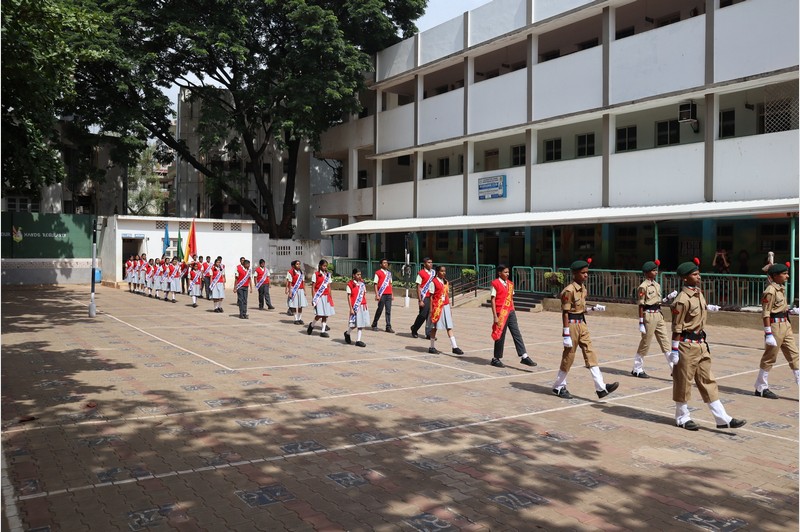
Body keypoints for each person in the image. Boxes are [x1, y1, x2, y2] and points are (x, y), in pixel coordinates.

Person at [670, 259, 745, 431]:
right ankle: (682, 417)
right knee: (683, 382)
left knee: (708, 380)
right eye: (694, 274)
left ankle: (722, 418)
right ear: (685, 278)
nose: (698, 276)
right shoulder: (682, 300)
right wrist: (674, 349)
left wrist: (709, 307)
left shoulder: (698, 294)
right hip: (686, 345)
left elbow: (699, 312)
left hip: (701, 344)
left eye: (698, 273)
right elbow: (677, 326)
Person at [551, 259, 618, 399]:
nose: (586, 275)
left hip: (582, 324)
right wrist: (566, 334)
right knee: (569, 356)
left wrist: (593, 309)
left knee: (590, 353)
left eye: (587, 272)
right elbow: (565, 313)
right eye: (583, 273)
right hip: (572, 325)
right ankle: (558, 386)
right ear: (575, 274)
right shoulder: (568, 291)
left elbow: (580, 310)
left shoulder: (583, 289)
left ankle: (601, 387)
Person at [754, 262, 800, 399]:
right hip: (775, 327)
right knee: (770, 357)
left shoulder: (781, 288)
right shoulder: (770, 291)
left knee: (794, 355)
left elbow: (780, 308)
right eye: (784, 273)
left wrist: (792, 310)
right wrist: (768, 333)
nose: (787, 276)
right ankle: (761, 387)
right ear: (775, 276)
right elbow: (766, 313)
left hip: (786, 325)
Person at [631, 260, 677, 378]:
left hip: (658, 314)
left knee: (665, 342)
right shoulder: (643, 287)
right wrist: (641, 322)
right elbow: (641, 305)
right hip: (648, 316)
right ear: (647, 273)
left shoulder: (657, 285)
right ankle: (637, 368)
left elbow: (658, 301)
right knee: (646, 342)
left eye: (656, 270)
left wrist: (668, 298)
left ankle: (674, 369)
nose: (656, 272)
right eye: (653, 270)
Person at [489, 264, 536, 368]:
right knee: (500, 335)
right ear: (499, 273)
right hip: (500, 313)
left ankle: (524, 356)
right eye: (505, 272)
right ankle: (496, 358)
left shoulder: (510, 284)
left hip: (510, 312)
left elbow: (511, 298)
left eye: (508, 272)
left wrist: (513, 310)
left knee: (516, 333)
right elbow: (492, 300)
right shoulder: (495, 283)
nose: (507, 274)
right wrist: (495, 316)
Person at [427, 265, 464, 355]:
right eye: (442, 271)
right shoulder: (433, 282)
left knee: (449, 326)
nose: (444, 273)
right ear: (437, 272)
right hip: (437, 307)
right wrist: (431, 310)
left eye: (445, 271)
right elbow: (431, 297)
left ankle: (454, 347)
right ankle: (431, 347)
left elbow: (447, 295)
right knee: (434, 327)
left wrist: (449, 307)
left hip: (445, 305)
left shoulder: (446, 282)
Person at [308, 259, 335, 337]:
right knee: (319, 314)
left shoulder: (328, 275)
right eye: (324, 266)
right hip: (319, 296)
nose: (325, 267)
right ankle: (312, 325)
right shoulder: (315, 274)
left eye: (326, 266)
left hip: (326, 296)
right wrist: (314, 298)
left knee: (325, 314)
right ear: (320, 266)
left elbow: (329, 286)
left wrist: (330, 296)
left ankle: (323, 331)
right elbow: (313, 287)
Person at [410, 257, 435, 338]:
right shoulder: (421, 273)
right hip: (424, 297)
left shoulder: (433, 273)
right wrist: (420, 300)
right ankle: (414, 329)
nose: (430, 264)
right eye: (428, 262)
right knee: (422, 315)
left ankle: (428, 333)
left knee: (430, 316)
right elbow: (418, 287)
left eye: (431, 262)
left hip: (432, 296)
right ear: (424, 264)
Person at [344, 268, 369, 347]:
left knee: (361, 324)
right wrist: (351, 308)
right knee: (354, 324)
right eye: (357, 274)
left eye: (360, 274)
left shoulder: (362, 284)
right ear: (353, 275)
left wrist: (365, 304)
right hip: (355, 306)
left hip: (362, 305)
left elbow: (364, 294)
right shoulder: (350, 284)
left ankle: (358, 340)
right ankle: (347, 333)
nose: (359, 276)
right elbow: (349, 297)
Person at [371, 258, 395, 333]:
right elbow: (375, 284)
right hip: (382, 294)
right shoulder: (378, 273)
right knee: (380, 309)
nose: (386, 264)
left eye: (387, 263)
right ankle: (374, 324)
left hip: (388, 294)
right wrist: (377, 294)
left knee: (388, 311)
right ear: (381, 264)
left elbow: (390, 284)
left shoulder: (389, 273)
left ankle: (388, 326)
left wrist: (392, 294)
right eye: (384, 263)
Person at [285, 260, 307, 325]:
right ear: (294, 265)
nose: (298, 265)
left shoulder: (301, 272)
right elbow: (289, 282)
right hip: (294, 289)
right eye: (297, 264)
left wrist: (305, 291)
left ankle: (299, 318)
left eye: (299, 264)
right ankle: (295, 319)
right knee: (294, 305)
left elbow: (303, 282)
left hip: (300, 290)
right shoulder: (290, 272)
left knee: (300, 305)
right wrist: (289, 292)